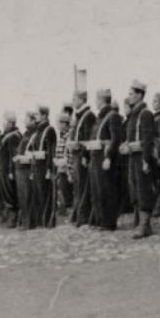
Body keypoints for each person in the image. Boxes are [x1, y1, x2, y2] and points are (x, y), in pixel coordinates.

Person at [125, 80, 157, 239]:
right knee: (134, 189)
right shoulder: (133, 114)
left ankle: (145, 225)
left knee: (143, 189)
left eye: (131, 94)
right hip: (132, 157)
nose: (129, 97)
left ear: (139, 95)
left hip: (141, 158)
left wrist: (146, 160)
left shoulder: (145, 114)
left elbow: (148, 139)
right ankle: (139, 222)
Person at [88, 89, 123, 231]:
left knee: (107, 190)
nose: (95, 102)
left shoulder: (113, 116)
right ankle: (100, 220)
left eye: (96, 99)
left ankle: (108, 222)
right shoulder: (100, 117)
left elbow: (115, 139)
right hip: (95, 157)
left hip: (104, 158)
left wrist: (108, 157)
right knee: (97, 190)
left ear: (101, 100)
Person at [69, 91, 96, 226]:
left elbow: (89, 137)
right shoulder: (79, 116)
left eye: (75, 98)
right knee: (78, 186)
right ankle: (79, 214)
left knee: (84, 186)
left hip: (82, 155)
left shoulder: (89, 116)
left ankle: (83, 216)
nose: (73, 101)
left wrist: (85, 154)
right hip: (76, 154)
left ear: (82, 99)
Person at [0, 112, 22, 226]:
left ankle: (13, 216)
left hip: (7, 169)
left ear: (11, 123)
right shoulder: (7, 135)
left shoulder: (14, 136)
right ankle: (8, 214)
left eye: (5, 122)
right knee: (5, 192)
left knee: (9, 192)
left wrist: (11, 171)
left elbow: (13, 154)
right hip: (2, 168)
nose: (3, 124)